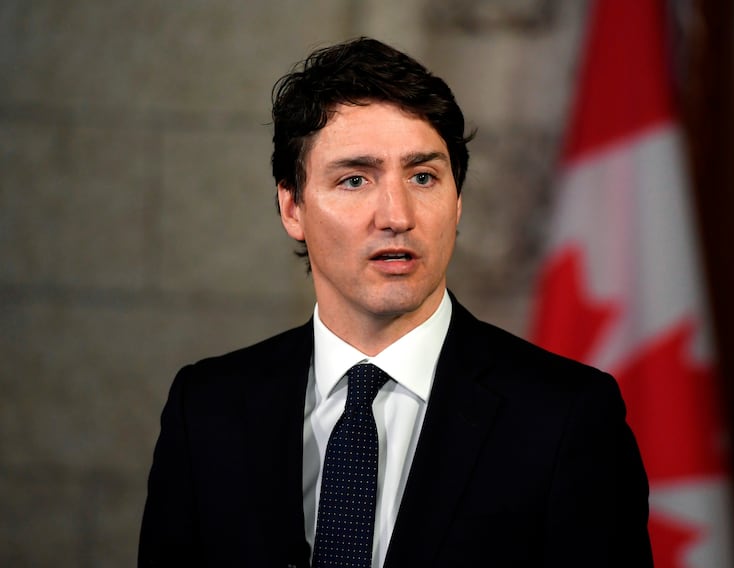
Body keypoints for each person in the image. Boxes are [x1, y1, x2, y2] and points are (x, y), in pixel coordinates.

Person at [139, 37, 653, 568]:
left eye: (423, 176)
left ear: (457, 202)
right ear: (291, 206)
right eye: (355, 179)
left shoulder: (567, 417)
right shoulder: (206, 409)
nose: (396, 215)